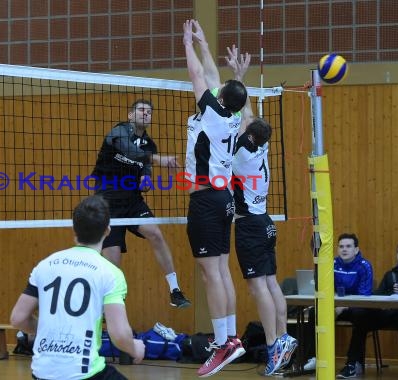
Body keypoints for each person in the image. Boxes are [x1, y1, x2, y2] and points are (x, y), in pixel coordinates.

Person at [10, 195, 145, 380]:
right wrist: (135, 347)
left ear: (74, 229)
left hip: (41, 372)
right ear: (107, 230)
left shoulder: (45, 265)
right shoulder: (110, 273)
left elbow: (18, 319)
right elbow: (119, 334)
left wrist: (45, 329)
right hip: (82, 372)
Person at [183, 19, 248, 377]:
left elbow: (197, 74)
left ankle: (222, 344)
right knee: (221, 271)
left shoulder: (212, 111)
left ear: (220, 97)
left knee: (212, 274)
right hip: (224, 199)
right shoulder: (234, 115)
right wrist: (206, 44)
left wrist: (186, 44)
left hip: (207, 199)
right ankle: (232, 339)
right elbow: (211, 74)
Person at [229, 49, 298, 375]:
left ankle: (273, 347)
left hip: (250, 226)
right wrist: (241, 80)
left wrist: (237, 82)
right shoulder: (261, 144)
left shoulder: (241, 154)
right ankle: (282, 338)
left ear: (250, 135)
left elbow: (241, 117)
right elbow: (248, 116)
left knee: (259, 288)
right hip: (266, 222)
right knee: (270, 285)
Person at [91, 98, 191, 308]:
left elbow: (144, 171)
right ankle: (108, 310)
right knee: (113, 265)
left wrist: (146, 179)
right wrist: (159, 160)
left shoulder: (149, 145)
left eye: (149, 112)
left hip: (133, 201)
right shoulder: (118, 132)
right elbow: (131, 152)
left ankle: (175, 290)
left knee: (155, 233)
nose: (146, 113)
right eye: (141, 110)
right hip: (107, 203)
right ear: (130, 115)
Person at [301, 233, 374, 374]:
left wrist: (344, 306)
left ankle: (352, 363)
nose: (344, 249)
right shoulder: (331, 264)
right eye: (341, 246)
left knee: (362, 316)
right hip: (334, 307)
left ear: (356, 250)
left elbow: (364, 296)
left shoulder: (365, 266)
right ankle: (314, 357)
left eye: (348, 246)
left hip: (355, 308)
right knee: (314, 312)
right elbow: (325, 288)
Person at [337, 240, 398, 379]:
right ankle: (352, 364)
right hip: (387, 313)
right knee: (361, 317)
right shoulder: (390, 274)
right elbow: (378, 295)